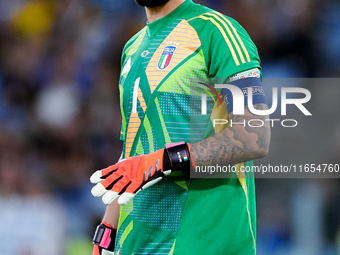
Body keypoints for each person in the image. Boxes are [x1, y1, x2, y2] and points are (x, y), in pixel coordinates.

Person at [90, 0, 271, 254]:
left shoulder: (217, 31)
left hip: (204, 242)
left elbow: (255, 136)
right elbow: (132, 151)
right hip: (138, 244)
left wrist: (163, 160)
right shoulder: (132, 48)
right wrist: (107, 231)